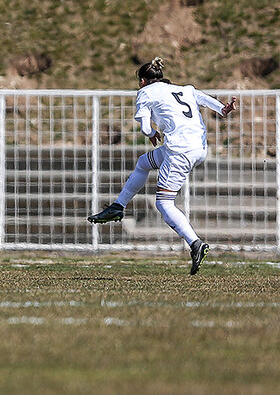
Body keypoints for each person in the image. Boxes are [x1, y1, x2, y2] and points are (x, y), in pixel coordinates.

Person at [88, 57, 237, 275]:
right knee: (143, 163)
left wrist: (151, 133)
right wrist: (224, 109)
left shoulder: (145, 93)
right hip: (197, 147)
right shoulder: (184, 89)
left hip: (179, 151)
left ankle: (195, 243)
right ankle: (118, 206)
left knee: (164, 203)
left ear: (142, 81)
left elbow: (146, 128)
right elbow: (208, 101)